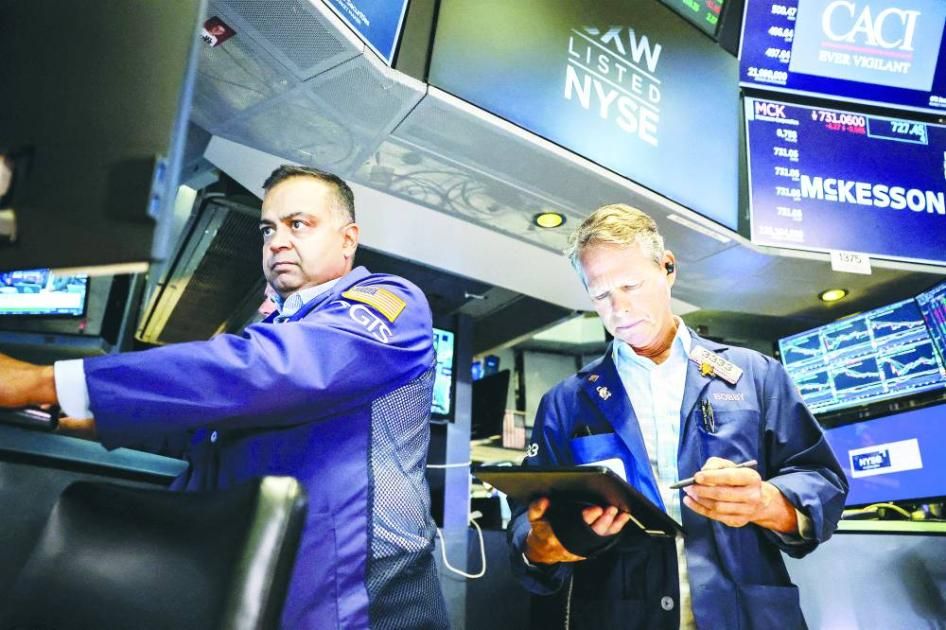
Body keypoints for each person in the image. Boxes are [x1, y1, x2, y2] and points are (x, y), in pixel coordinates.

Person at [0, 165, 449, 629]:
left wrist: (45, 381)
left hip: (363, 592)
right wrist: (86, 415)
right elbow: (205, 435)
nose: (277, 242)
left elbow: (269, 371)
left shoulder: (389, 302)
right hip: (260, 580)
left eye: (298, 224)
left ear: (347, 239)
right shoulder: (273, 329)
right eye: (268, 229)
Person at [508, 204, 848, 629]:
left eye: (631, 285)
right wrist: (538, 546)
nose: (619, 308)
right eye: (601, 295)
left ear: (667, 268)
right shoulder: (566, 402)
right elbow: (526, 520)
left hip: (744, 614)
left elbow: (821, 479)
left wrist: (766, 502)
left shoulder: (755, 375)